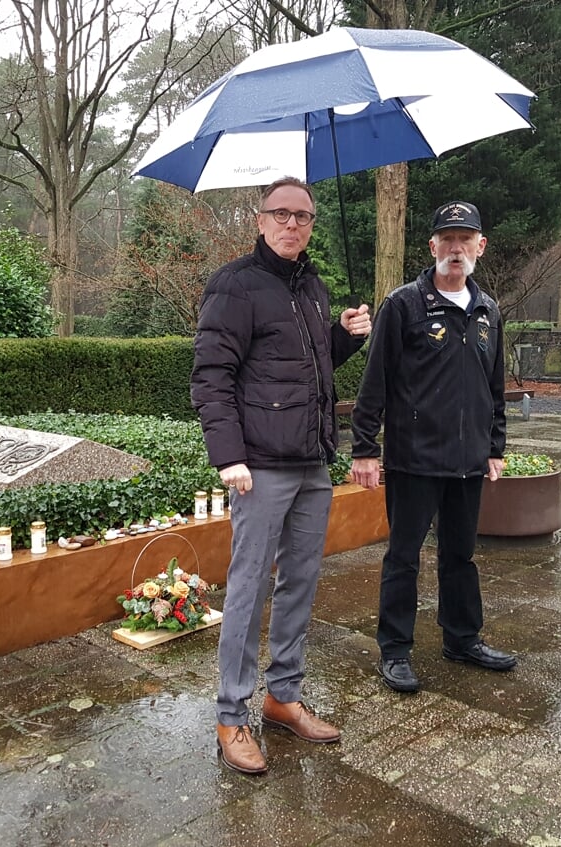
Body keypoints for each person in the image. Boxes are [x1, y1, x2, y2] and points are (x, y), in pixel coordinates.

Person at [191, 176, 371, 774]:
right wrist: (228, 456)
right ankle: (231, 714)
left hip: (312, 462)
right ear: (260, 219)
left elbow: (310, 367)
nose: (293, 224)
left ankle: (282, 696)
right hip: (260, 467)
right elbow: (211, 377)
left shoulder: (313, 288)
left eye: (304, 216)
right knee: (249, 587)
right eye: (281, 214)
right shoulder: (236, 285)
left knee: (301, 581)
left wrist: (341, 337)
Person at [349, 200, 518, 694]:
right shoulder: (404, 306)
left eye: (466, 240)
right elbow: (374, 384)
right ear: (432, 247)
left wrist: (495, 447)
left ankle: (462, 638)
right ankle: (395, 649)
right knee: (403, 557)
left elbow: (494, 387)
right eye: (447, 239)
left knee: (460, 556)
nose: (456, 248)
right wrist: (364, 449)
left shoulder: (488, 311)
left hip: (468, 461)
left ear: (480, 248)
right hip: (415, 459)